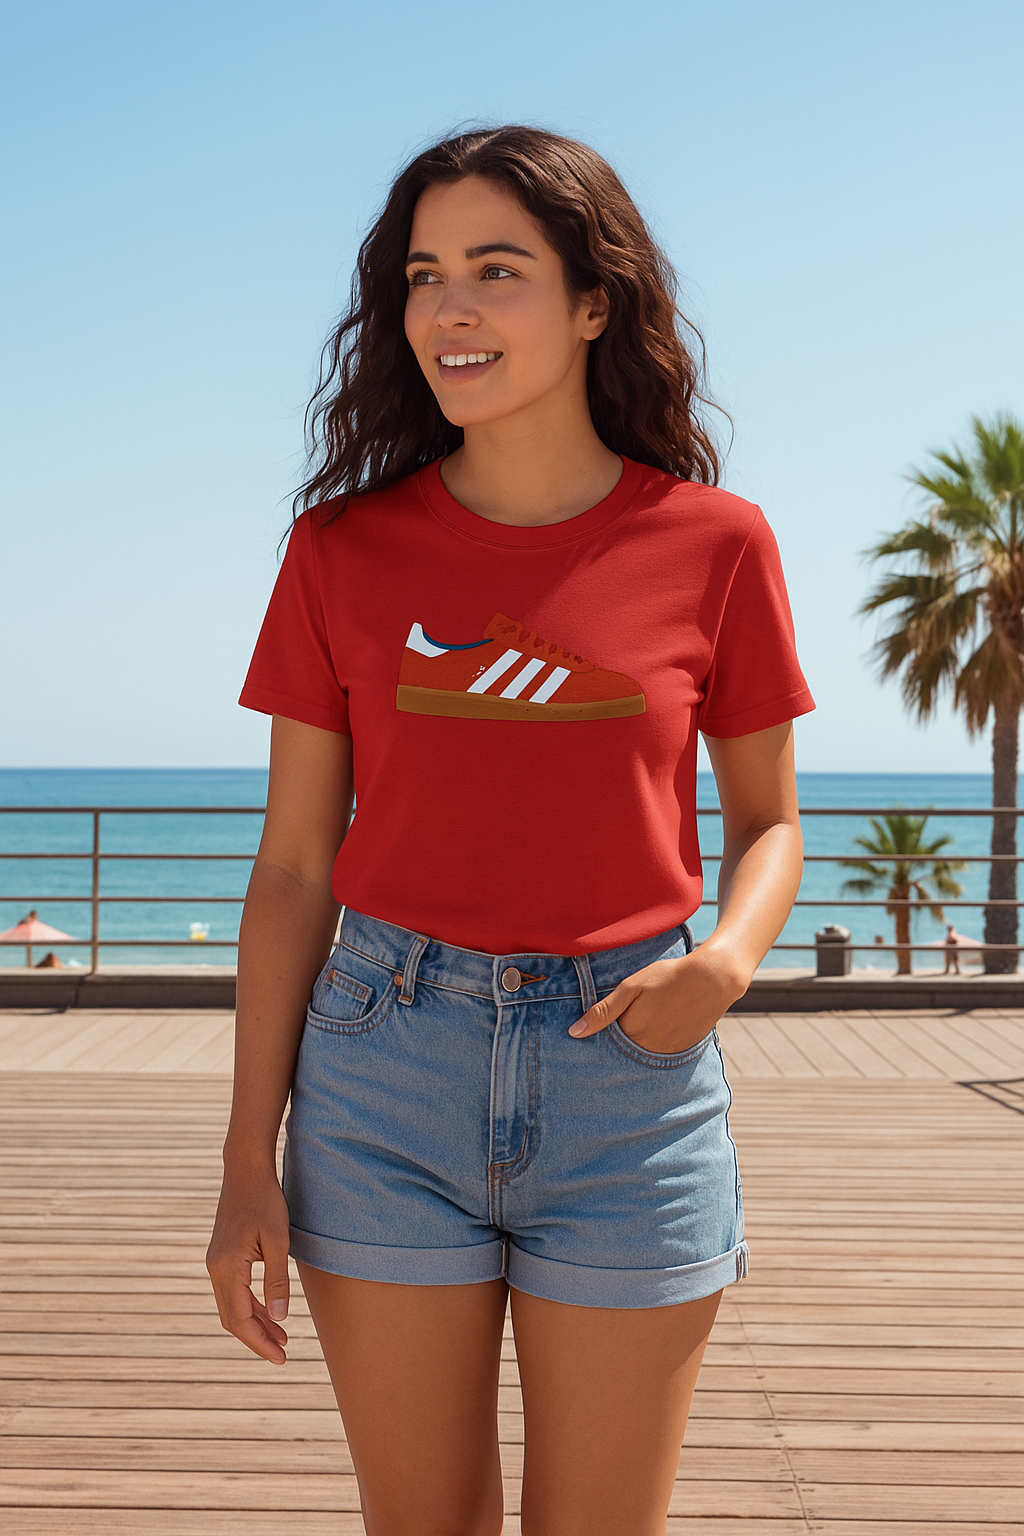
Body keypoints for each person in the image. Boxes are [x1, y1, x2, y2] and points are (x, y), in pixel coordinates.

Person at [206, 126, 814, 1536]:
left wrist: (724, 963)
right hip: (382, 1072)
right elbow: (293, 866)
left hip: (631, 1079)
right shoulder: (341, 551)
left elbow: (770, 821)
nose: (450, 308)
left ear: (595, 301)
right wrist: (246, 1158)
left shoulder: (718, 543)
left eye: (497, 269)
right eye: (424, 275)